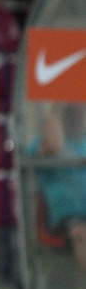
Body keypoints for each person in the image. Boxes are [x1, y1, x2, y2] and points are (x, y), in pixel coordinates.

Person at [32, 103, 86, 272]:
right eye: (72, 113)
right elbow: (52, 146)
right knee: (81, 233)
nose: (78, 116)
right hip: (67, 214)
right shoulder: (42, 144)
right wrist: (58, 105)